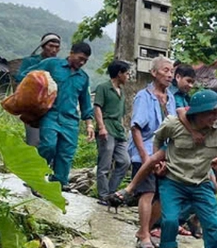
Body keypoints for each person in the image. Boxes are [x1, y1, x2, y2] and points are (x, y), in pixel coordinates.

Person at [122, 89, 217, 248]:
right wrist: (160, 163)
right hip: (173, 182)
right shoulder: (174, 125)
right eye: (211, 112)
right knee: (169, 222)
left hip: (202, 183)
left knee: (213, 225)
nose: (216, 116)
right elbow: (158, 138)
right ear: (198, 113)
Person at [124, 56, 175, 248]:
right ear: (154, 73)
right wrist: (146, 158)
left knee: (164, 195)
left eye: (172, 71)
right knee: (147, 192)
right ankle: (144, 235)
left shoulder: (171, 98)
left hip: (164, 153)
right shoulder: (143, 96)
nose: (170, 75)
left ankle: (144, 230)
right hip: (144, 150)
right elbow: (136, 128)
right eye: (165, 70)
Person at [31, 42, 94, 189]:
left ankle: (58, 183)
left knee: (66, 153)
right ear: (71, 53)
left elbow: (85, 102)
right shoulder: (52, 64)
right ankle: (35, 177)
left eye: (85, 61)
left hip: (70, 121)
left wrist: (89, 124)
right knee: (48, 145)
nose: (82, 62)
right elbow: (30, 76)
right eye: (80, 58)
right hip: (50, 114)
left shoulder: (83, 77)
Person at [93, 60, 131, 204]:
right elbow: (97, 107)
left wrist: (123, 128)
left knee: (124, 161)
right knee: (105, 164)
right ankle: (103, 195)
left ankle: (111, 192)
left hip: (118, 130)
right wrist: (101, 127)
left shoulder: (122, 92)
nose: (128, 76)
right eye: (126, 73)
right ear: (119, 73)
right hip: (107, 127)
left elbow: (121, 114)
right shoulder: (103, 88)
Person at [16, 32, 61, 147]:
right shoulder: (30, 61)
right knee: (34, 142)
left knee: (50, 142)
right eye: (51, 46)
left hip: (52, 108)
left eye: (57, 47)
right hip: (32, 107)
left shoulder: (59, 65)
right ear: (43, 46)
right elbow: (20, 77)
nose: (54, 50)